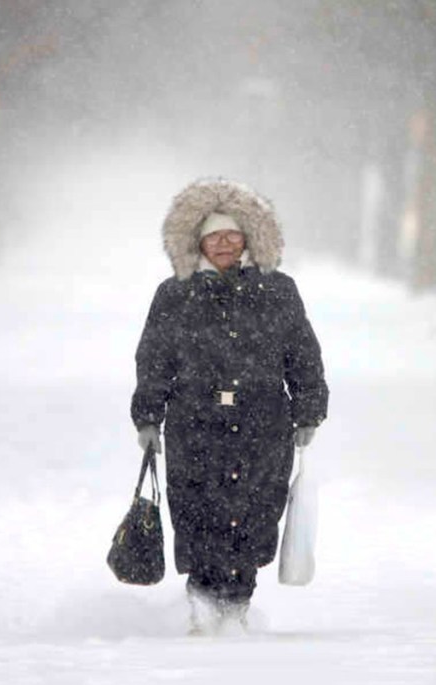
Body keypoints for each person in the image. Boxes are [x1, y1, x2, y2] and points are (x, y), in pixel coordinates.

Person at [131, 178, 329, 634]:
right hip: (194, 425)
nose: (224, 244)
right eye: (214, 235)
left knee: (255, 514)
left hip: (263, 424)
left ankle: (237, 603)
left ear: (249, 238)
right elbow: (153, 358)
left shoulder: (278, 290)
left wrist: (308, 409)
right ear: (196, 240)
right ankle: (202, 601)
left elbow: (302, 352)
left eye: (233, 234)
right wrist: (147, 416)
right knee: (198, 514)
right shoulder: (175, 294)